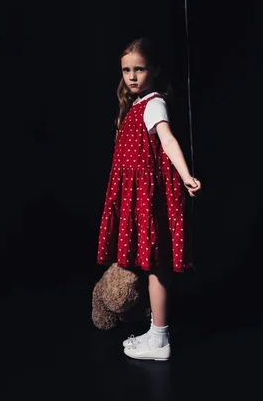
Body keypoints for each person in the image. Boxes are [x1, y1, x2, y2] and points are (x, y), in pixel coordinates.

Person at [96, 37, 201, 361]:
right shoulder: (137, 104)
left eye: (139, 69)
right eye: (126, 70)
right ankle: (154, 330)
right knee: (149, 264)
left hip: (148, 197)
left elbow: (168, 140)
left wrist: (185, 176)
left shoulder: (154, 103)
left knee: (156, 265)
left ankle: (159, 337)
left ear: (154, 69)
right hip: (137, 197)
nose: (131, 76)